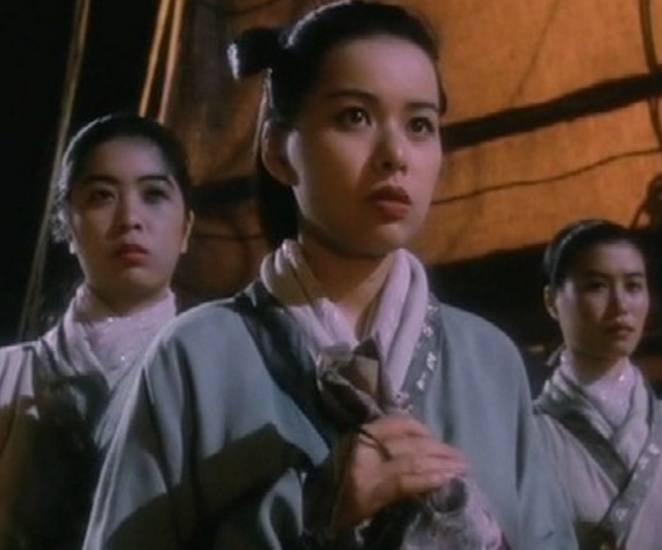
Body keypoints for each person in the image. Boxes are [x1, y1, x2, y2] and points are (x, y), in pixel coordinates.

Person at [83, 2, 575, 549]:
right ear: (278, 150)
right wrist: (312, 511)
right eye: (354, 117)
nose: (395, 155)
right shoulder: (195, 356)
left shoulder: (489, 361)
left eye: (419, 125)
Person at [0, 113, 195, 549]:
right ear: (66, 226)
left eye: (154, 194)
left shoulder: (209, 378)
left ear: (186, 229)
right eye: (102, 196)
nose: (130, 218)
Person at [535, 219, 661, 548]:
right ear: (552, 301)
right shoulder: (530, 433)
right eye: (597, 286)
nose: (621, 305)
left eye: (633, 286)